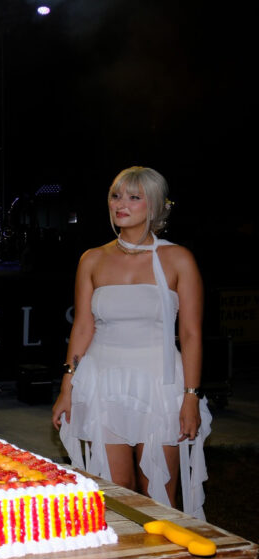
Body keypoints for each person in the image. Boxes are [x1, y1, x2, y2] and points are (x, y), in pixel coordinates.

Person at [52, 166, 211, 519]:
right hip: (103, 383)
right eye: (115, 196)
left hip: (159, 385)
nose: (120, 204)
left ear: (153, 204)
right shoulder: (92, 259)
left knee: (159, 495)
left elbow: (191, 334)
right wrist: (67, 388)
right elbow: (83, 327)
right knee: (114, 494)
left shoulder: (178, 259)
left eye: (133, 197)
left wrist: (191, 396)